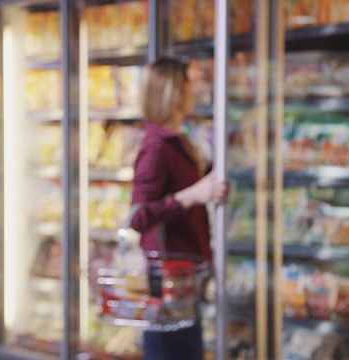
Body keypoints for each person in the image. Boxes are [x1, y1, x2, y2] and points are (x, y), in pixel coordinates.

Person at [130, 57, 229, 360]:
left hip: (184, 279)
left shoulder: (176, 142)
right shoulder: (157, 146)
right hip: (168, 280)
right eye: (188, 84)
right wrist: (193, 194)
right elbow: (139, 216)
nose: (194, 91)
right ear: (174, 92)